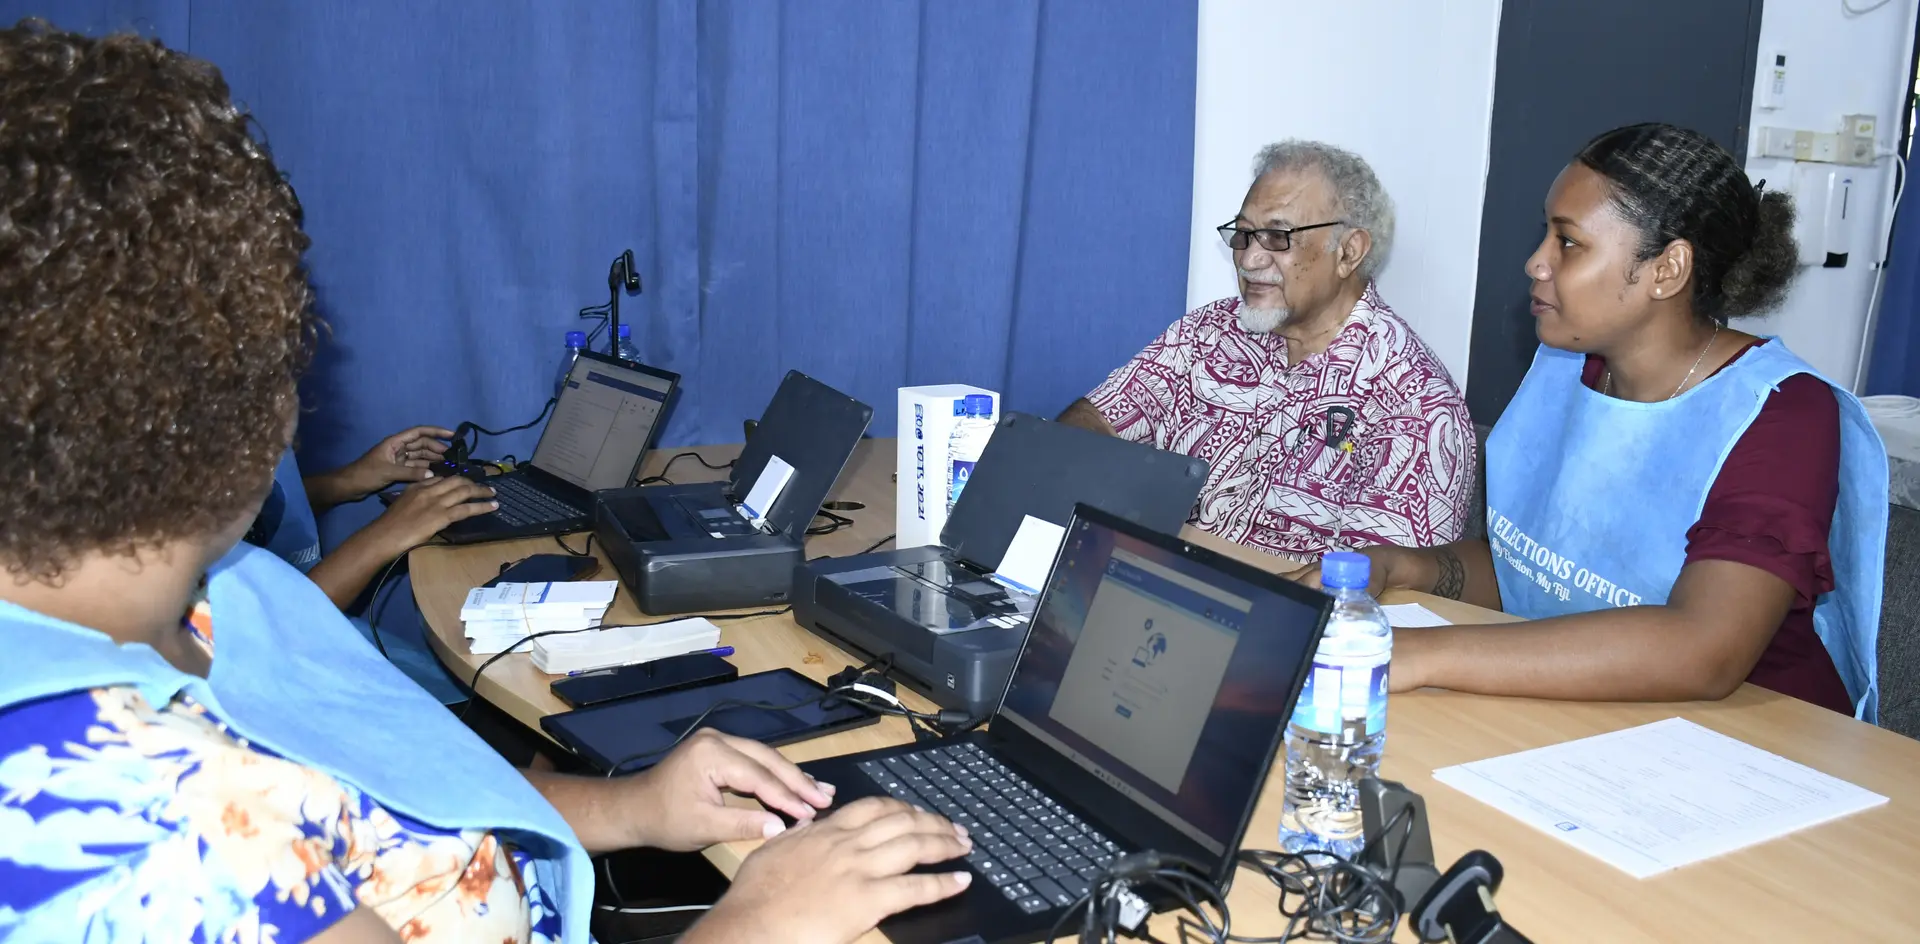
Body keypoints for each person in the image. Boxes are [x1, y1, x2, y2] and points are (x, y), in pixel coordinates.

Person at [0, 21, 968, 943]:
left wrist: (633, 804)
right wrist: (756, 920)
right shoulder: (149, 847)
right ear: (257, 422)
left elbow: (388, 796)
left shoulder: (217, 600)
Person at [1295, 124, 1887, 719]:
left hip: (1760, 742)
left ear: (1667, 269)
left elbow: (1704, 648)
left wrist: (1413, 654)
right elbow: (1538, 576)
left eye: (1568, 243)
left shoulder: (1784, 413)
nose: (1535, 263)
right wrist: (1399, 564)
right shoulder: (1566, 367)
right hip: (1604, 717)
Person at [1059, 140, 1475, 561]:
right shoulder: (1207, 332)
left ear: (1348, 252)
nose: (1250, 259)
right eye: (1243, 234)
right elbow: (1089, 422)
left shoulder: (1414, 401)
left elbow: (1377, 594)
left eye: (1278, 237)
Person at [247, 424, 498, 704]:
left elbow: (257, 507)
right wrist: (384, 536)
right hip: (286, 675)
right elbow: (258, 636)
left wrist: (350, 480)